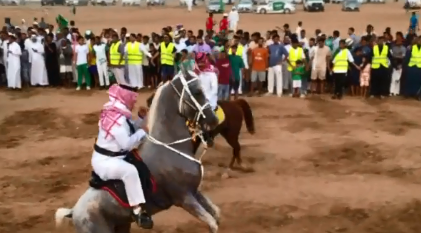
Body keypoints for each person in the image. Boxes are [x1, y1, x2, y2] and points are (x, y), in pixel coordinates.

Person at [91, 84, 153, 229]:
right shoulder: (117, 118)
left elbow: (129, 129)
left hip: (112, 156)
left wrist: (140, 119)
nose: (135, 103)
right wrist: (143, 132)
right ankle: (137, 210)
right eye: (133, 99)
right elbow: (126, 143)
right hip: (107, 161)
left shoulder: (117, 113)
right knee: (130, 171)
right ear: (125, 98)